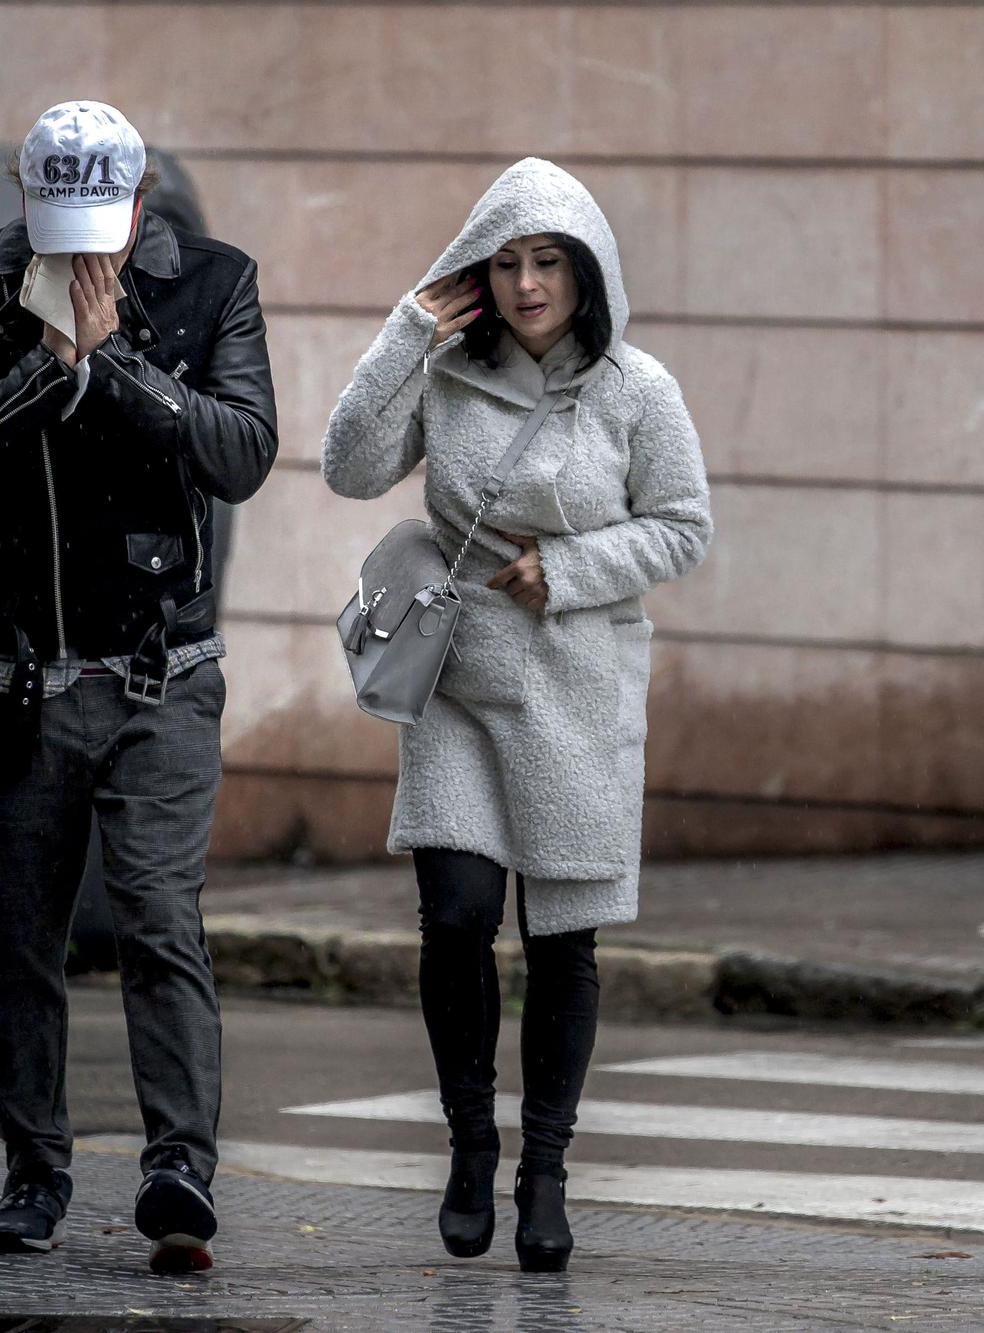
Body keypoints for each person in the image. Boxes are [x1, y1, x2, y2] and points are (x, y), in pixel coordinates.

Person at [0, 100, 277, 1274]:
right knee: (15, 937)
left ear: (140, 198)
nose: (82, 255)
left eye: (100, 227)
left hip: (161, 669)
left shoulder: (212, 285)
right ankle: (32, 1171)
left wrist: (116, 368)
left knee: (159, 917)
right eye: (58, 229)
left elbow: (241, 449)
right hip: (5, 675)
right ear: (24, 202)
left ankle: (179, 1167)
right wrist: (36, 368)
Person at [321, 158, 713, 1272]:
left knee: (561, 940)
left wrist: (573, 569)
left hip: (579, 685)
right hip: (460, 678)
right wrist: (406, 331)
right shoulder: (445, 372)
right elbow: (347, 466)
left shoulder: (640, 388)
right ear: (477, 274)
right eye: (506, 262)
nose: (528, 283)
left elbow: (682, 526)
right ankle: (466, 1143)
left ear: (585, 273)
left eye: (547, 262)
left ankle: (543, 1169)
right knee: (452, 912)